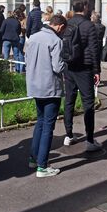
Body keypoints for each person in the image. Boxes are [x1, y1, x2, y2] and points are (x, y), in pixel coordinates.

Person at [26, 14, 67, 177]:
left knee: (40, 122)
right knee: (48, 127)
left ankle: (33, 158)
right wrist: (66, 65)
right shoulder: (56, 41)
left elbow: (27, 58)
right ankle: (42, 166)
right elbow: (57, 67)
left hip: (35, 85)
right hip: (50, 87)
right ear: (60, 27)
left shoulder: (33, 37)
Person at [63, 0, 102, 151]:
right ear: (85, 7)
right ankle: (90, 139)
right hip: (84, 67)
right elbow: (94, 50)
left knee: (69, 100)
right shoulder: (89, 25)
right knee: (88, 103)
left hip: (69, 66)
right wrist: (96, 70)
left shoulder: (67, 23)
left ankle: (68, 134)